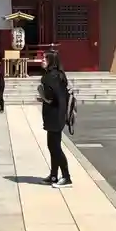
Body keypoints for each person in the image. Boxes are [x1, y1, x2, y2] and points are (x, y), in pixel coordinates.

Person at [38, 52, 72, 188]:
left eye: (45, 58)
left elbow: (53, 98)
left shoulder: (51, 76)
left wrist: (43, 96)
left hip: (55, 115)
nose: (42, 60)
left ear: (52, 61)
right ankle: (53, 175)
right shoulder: (57, 75)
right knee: (52, 146)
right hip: (56, 114)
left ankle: (66, 177)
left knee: (55, 147)